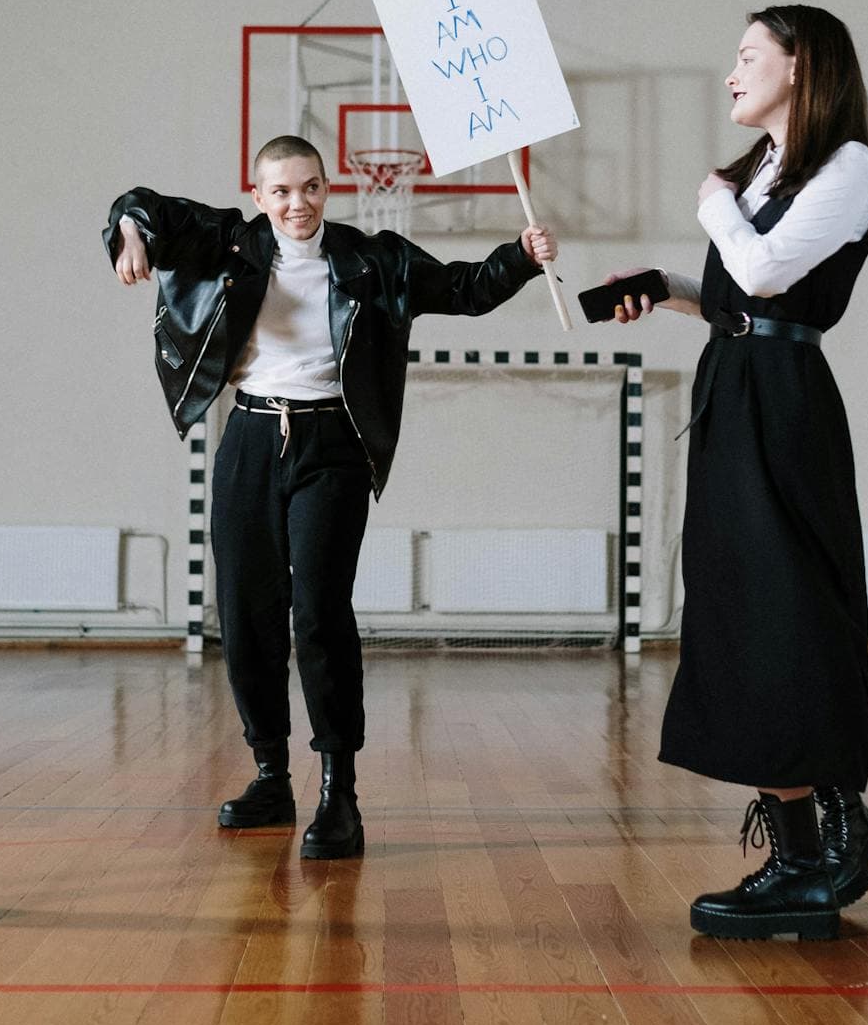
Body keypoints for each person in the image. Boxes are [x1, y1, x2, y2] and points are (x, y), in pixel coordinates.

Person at [105, 137, 557, 858]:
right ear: (258, 196)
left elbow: (463, 290)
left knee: (318, 611)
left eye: (310, 187)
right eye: (281, 191)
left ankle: (338, 790)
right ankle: (271, 775)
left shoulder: (371, 258)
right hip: (250, 439)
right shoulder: (229, 243)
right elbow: (144, 209)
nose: (298, 204)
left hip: (333, 447)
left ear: (327, 187)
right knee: (248, 612)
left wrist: (522, 258)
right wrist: (128, 234)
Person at [605, 5, 868, 940]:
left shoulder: (847, 167)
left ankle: (827, 839)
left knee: (788, 604)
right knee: (740, 604)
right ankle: (809, 844)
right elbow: (739, 294)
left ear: (800, 67)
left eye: (746, 56)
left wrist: (709, 204)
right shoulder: (763, 174)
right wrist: (673, 290)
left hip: (784, 400)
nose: (730, 74)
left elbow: (768, 275)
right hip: (735, 383)